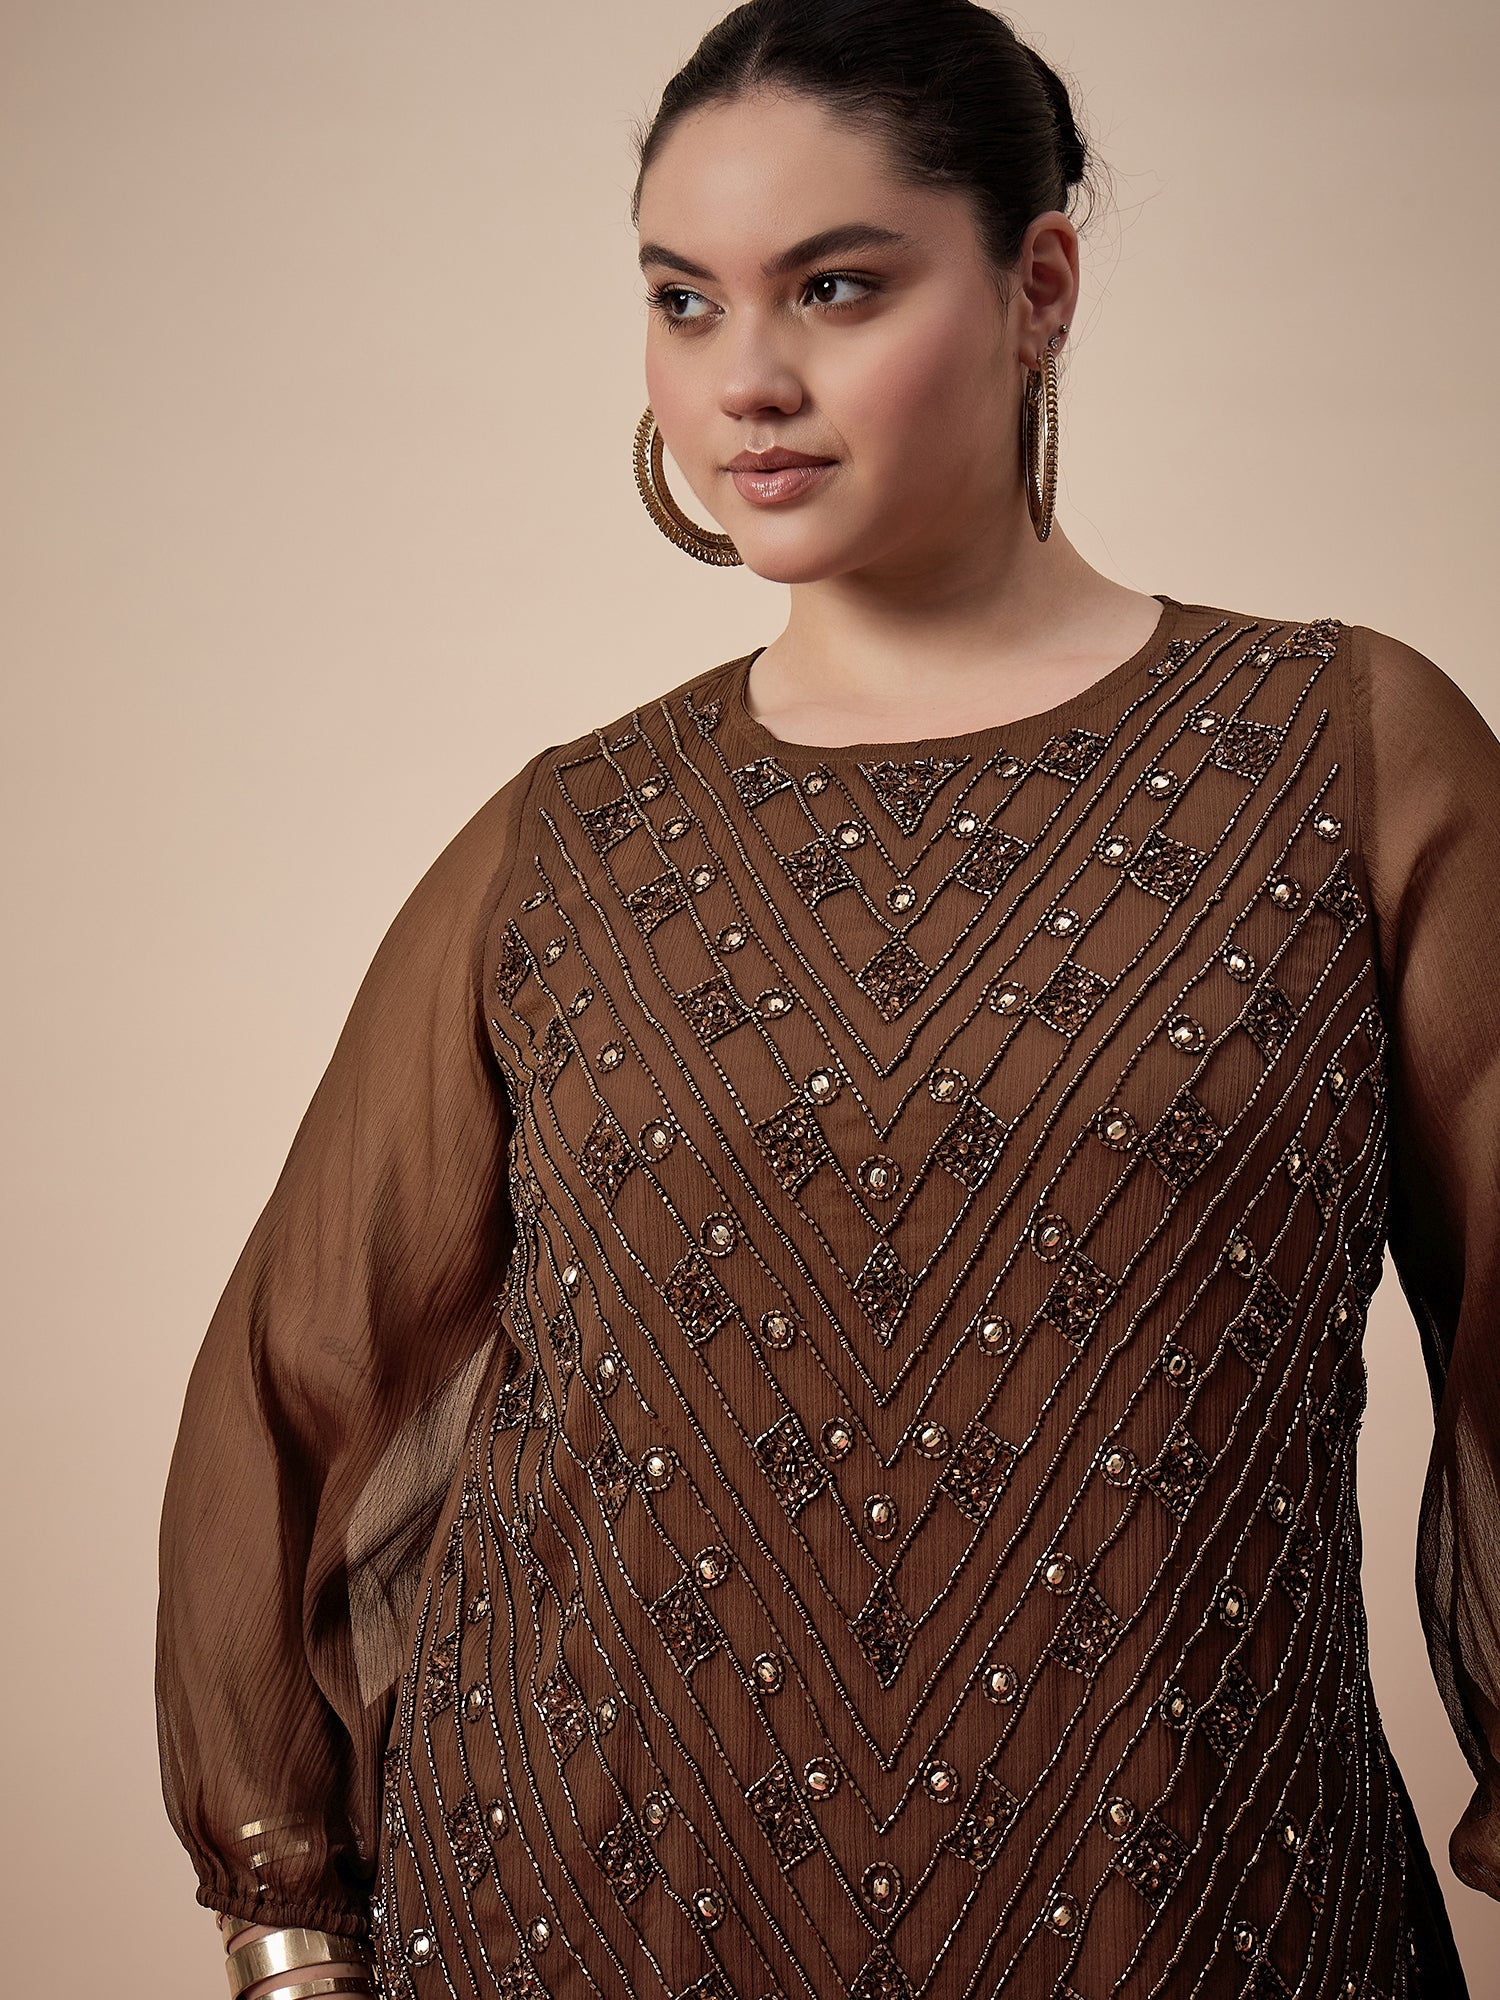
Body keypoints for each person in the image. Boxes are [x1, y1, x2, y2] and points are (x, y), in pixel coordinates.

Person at [155, 3, 1500, 1995]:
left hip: (1190, 1919)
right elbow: (306, 1385)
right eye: (682, 300)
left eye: (836, 287)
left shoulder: (1345, 754)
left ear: (1040, 287)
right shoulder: (573, 838)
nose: (746, 378)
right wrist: (290, 1925)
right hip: (584, 1924)